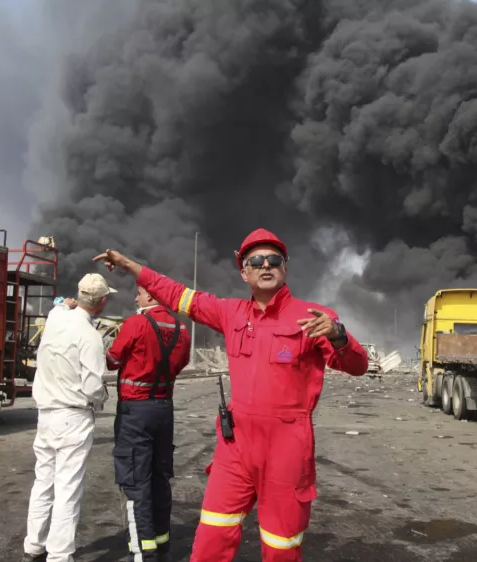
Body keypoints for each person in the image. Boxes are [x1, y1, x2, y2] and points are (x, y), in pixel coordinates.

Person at [93, 228, 369, 562]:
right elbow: (177, 293)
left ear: (285, 267)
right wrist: (128, 265)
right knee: (210, 539)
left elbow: (356, 366)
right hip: (235, 449)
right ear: (244, 272)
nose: (265, 266)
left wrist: (339, 336)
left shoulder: (313, 317)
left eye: (273, 260)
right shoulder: (230, 313)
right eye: (255, 261)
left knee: (281, 548)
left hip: (286, 450)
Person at [23, 273, 117, 562]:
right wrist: (103, 396)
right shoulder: (90, 336)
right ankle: (59, 555)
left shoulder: (55, 318)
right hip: (73, 417)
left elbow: (61, 306)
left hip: (46, 414)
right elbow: (91, 387)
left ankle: (33, 546)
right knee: (68, 488)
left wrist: (66, 304)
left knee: (43, 482)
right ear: (101, 303)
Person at [105, 284, 192, 561]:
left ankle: (143, 551)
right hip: (164, 409)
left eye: (139, 293)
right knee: (159, 477)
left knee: (134, 483)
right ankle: (161, 543)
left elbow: (112, 360)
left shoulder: (136, 323)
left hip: (135, 412)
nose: (135, 297)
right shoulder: (182, 330)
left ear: (151, 296)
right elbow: (179, 364)